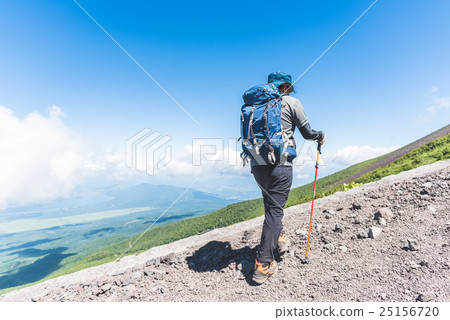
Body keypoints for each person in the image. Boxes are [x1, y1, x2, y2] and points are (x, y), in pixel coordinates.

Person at [252, 71, 326, 284]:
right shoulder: (291, 102)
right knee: (275, 211)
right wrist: (319, 136)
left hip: (257, 165)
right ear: (285, 86)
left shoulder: (256, 106)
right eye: (288, 87)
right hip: (281, 164)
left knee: (271, 206)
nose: (288, 91)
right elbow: (307, 133)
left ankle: (280, 240)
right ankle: (263, 264)